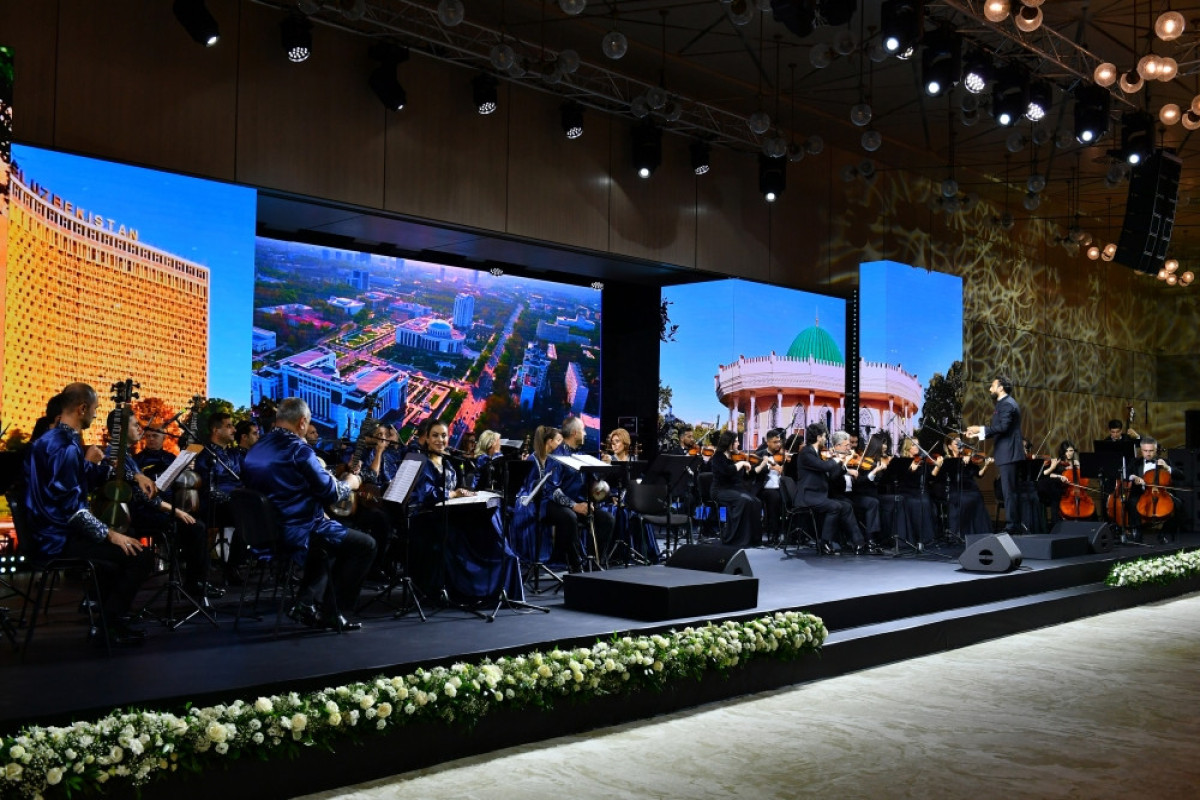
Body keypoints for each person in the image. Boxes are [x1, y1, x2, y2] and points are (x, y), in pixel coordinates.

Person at [23, 383, 155, 646]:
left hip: (45, 533)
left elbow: (89, 474)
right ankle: (110, 625)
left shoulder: (49, 441)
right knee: (140, 555)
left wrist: (134, 475)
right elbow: (73, 511)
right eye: (94, 409)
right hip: (57, 539)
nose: (96, 415)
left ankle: (107, 619)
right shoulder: (66, 448)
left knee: (120, 552)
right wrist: (111, 535)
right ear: (82, 408)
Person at [242, 397, 375, 632]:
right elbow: (331, 492)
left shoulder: (256, 450)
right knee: (365, 544)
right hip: (298, 531)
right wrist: (351, 482)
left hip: (263, 532)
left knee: (332, 542)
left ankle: (306, 602)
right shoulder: (299, 449)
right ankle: (332, 612)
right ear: (303, 422)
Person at [408, 421, 524, 602]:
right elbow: (426, 494)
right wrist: (454, 493)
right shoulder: (422, 462)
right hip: (429, 518)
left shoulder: (449, 463)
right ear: (427, 439)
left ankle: (497, 576)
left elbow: (455, 490)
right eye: (435, 435)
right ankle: (467, 589)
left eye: (444, 435)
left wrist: (465, 494)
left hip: (450, 514)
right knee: (463, 533)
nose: (440, 439)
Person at [509, 425, 586, 572]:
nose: (561, 444)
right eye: (558, 440)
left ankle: (565, 558)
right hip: (532, 501)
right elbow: (530, 487)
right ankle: (570, 561)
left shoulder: (553, 459)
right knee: (567, 515)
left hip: (548, 499)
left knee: (567, 514)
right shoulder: (533, 459)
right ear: (549, 442)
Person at [793, 424, 865, 554]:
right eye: (825, 436)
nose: (826, 439)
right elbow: (823, 467)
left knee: (846, 506)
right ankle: (824, 542)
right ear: (819, 437)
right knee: (835, 506)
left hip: (818, 495)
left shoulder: (815, 453)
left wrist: (842, 464)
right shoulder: (806, 452)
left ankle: (859, 542)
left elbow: (830, 474)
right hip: (808, 496)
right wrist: (838, 459)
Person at [966, 375, 1024, 536]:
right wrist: (978, 433)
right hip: (1007, 453)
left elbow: (1003, 427)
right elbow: (998, 428)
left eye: (992, 386)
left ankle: (1013, 527)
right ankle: (1014, 525)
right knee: (1009, 491)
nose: (990, 389)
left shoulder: (1007, 404)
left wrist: (979, 429)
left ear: (1001, 387)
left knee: (1009, 492)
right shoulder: (1004, 404)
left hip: (1009, 453)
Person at [554, 416, 615, 564]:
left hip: (581, 504)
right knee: (570, 517)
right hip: (559, 505)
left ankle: (596, 562)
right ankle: (576, 565)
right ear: (575, 433)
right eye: (583, 430)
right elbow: (553, 489)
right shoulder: (556, 456)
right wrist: (574, 506)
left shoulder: (581, 455)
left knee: (607, 519)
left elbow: (594, 482)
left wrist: (604, 468)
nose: (585, 434)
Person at [710, 430, 764, 549]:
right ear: (728, 443)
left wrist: (757, 467)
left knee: (756, 502)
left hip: (735, 489)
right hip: (720, 490)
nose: (738, 444)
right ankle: (735, 538)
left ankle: (752, 539)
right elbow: (726, 471)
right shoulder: (718, 457)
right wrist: (741, 464)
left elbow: (746, 476)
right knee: (743, 500)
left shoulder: (737, 457)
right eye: (736, 441)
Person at [1123, 437, 1180, 542]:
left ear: (1156, 449)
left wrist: (1167, 468)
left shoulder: (1165, 461)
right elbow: (1126, 475)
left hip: (1162, 494)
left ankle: (1163, 533)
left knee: (1178, 504)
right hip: (1141, 492)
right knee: (1132, 502)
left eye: (1151, 451)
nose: (1148, 454)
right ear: (1141, 450)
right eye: (1145, 451)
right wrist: (1134, 477)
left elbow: (1180, 476)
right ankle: (1138, 533)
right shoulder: (1135, 462)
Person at [941, 436, 994, 538]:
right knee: (964, 499)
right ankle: (960, 534)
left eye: (961, 443)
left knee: (977, 496)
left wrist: (986, 465)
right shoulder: (948, 460)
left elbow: (979, 474)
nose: (960, 445)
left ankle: (980, 533)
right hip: (956, 489)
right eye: (956, 443)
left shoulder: (970, 458)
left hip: (972, 488)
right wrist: (961, 460)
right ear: (950, 447)